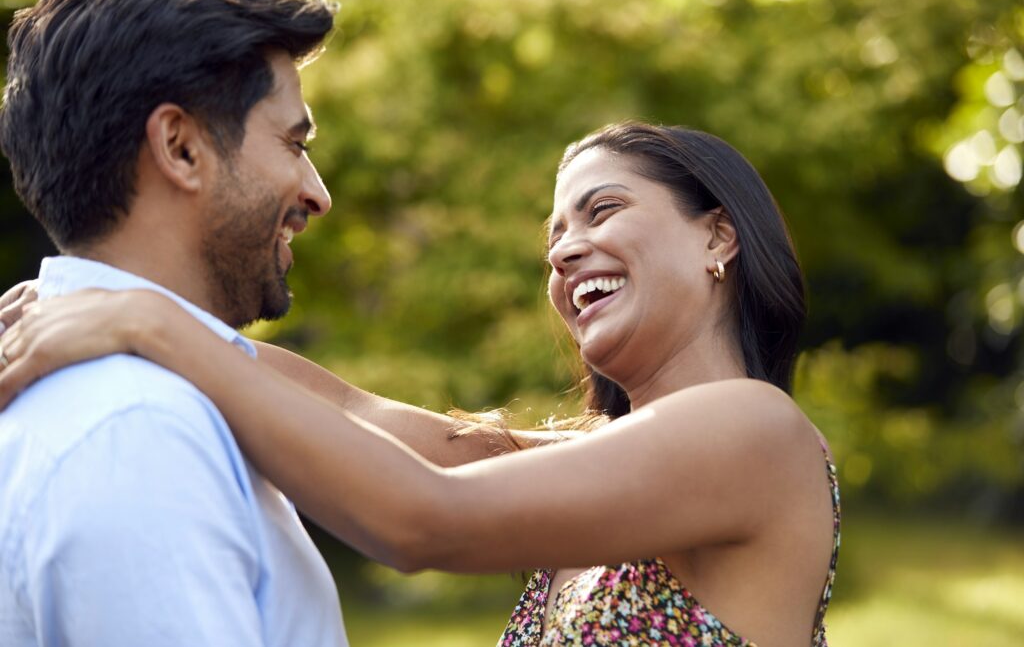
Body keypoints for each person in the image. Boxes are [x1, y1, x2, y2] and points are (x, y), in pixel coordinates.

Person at [0, 122, 841, 646]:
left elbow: (425, 518)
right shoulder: (622, 461)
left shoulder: (754, 432)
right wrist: (109, 298)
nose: (563, 249)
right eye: (555, 232)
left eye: (602, 210)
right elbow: (364, 414)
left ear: (718, 237)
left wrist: (152, 328)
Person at [0, 0, 350, 644]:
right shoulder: (135, 430)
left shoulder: (140, 396)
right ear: (181, 148)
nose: (317, 193)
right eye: (294, 143)